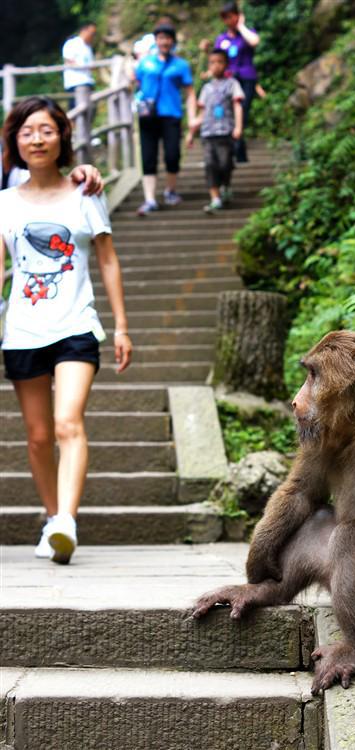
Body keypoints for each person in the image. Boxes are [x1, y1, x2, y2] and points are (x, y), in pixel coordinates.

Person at [0, 96, 132, 564]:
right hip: (22, 331)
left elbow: (108, 259)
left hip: (77, 326)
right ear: (15, 140)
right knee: (37, 437)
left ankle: (67, 522)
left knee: (65, 423)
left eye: (47, 130)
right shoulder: (3, 204)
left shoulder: (86, 192)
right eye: (27, 131)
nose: (37, 139)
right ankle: (53, 518)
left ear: (62, 138)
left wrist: (120, 326)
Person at [134, 23, 196, 215]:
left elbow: (190, 92)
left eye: (167, 38)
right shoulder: (145, 63)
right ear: (156, 41)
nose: (164, 41)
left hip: (171, 114)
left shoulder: (181, 65)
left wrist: (192, 118)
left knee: (172, 155)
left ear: (173, 41)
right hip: (148, 115)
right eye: (160, 38)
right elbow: (136, 83)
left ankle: (170, 190)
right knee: (148, 157)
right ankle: (150, 199)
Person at [186, 49, 244, 213]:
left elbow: (237, 106)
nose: (216, 65)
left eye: (220, 62)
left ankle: (225, 185)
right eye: (212, 62)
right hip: (207, 134)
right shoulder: (206, 88)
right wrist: (191, 133)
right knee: (210, 164)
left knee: (225, 163)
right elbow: (202, 113)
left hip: (225, 132)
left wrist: (238, 127)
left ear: (226, 64)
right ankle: (215, 198)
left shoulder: (232, 84)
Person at [214, 2, 259, 163]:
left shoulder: (246, 34)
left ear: (237, 15)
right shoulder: (221, 39)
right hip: (228, 81)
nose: (228, 20)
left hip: (246, 79)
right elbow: (216, 60)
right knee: (230, 115)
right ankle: (237, 154)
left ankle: (237, 153)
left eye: (231, 16)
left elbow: (254, 42)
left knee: (242, 114)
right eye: (225, 18)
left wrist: (241, 26)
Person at [62, 21, 97, 112]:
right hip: (75, 82)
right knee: (77, 111)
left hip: (88, 81)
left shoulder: (88, 47)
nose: (93, 36)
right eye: (92, 33)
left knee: (90, 110)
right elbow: (68, 61)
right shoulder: (72, 43)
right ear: (84, 30)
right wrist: (84, 66)